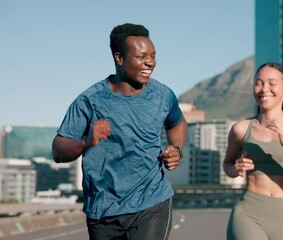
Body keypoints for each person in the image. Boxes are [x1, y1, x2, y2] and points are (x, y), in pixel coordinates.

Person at [52, 23, 187, 240]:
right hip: (103, 210)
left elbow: (177, 123)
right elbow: (58, 151)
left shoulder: (162, 94)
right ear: (119, 58)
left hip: (152, 202)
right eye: (142, 56)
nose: (150, 62)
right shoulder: (90, 100)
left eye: (153, 56)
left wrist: (177, 150)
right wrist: (86, 142)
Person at [223, 63, 283, 240]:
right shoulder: (241, 129)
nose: (264, 89)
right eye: (258, 83)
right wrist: (236, 168)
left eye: (272, 83)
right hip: (248, 212)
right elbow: (227, 165)